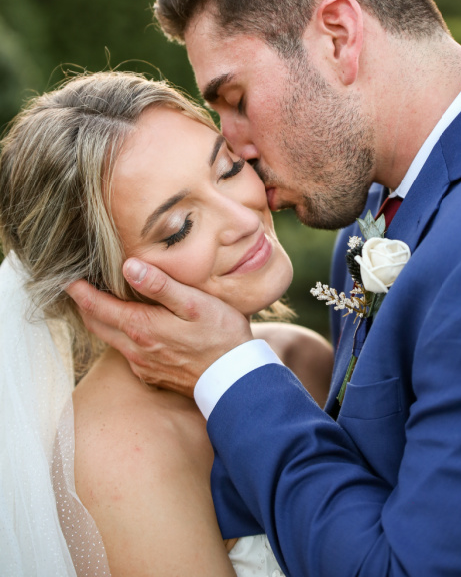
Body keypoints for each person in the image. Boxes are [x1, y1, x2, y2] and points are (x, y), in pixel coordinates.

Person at [67, 0, 461, 576]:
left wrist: (227, 371)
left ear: (338, 37)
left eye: (236, 99)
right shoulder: (371, 221)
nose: (237, 147)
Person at [0, 70, 333, 576]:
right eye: (179, 228)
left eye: (226, 168)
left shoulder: (295, 354)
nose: (243, 218)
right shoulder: (118, 455)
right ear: (99, 285)